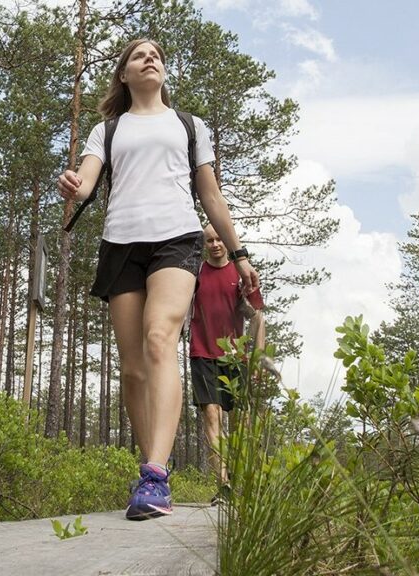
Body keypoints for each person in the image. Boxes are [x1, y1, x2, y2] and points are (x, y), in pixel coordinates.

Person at [57, 38, 259, 521]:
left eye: (157, 55)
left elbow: (210, 194)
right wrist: (72, 184)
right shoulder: (107, 130)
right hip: (121, 244)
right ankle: (150, 472)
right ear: (124, 75)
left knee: (158, 339)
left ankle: (154, 474)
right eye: (138, 56)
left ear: (164, 72)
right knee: (132, 368)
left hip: (176, 238)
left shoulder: (190, 126)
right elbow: (85, 183)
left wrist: (239, 253)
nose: (150, 59)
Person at [189, 223, 267, 502]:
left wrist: (257, 358)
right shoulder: (194, 272)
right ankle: (222, 486)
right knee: (211, 416)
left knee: (240, 422)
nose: (215, 244)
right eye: (209, 240)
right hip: (201, 353)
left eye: (219, 239)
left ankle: (241, 479)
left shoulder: (242, 273)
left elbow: (257, 316)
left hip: (235, 357)